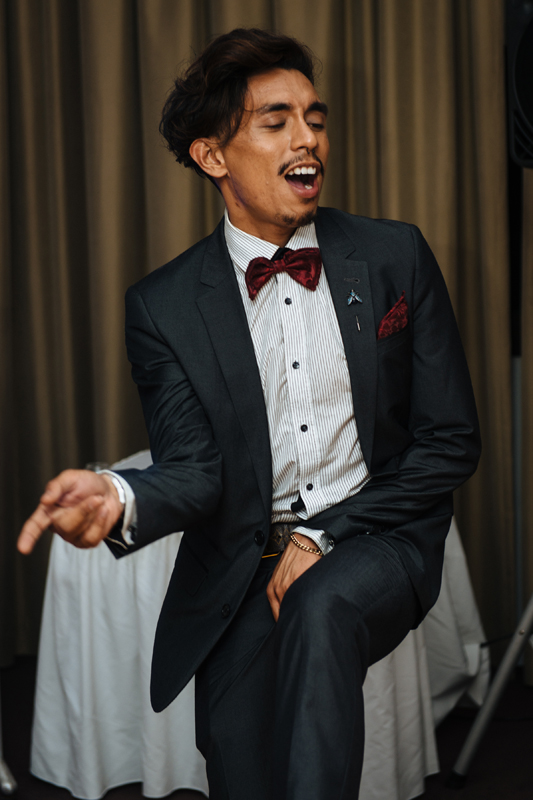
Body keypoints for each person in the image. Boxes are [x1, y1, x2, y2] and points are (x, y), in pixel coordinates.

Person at [18, 28, 481, 800]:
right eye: (276, 121)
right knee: (241, 765)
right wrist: (120, 496)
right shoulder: (162, 306)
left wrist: (321, 535)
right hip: (239, 565)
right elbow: (196, 472)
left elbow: (449, 441)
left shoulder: (393, 254)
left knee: (320, 605)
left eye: (314, 118)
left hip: (377, 533)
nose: (308, 140)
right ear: (212, 156)